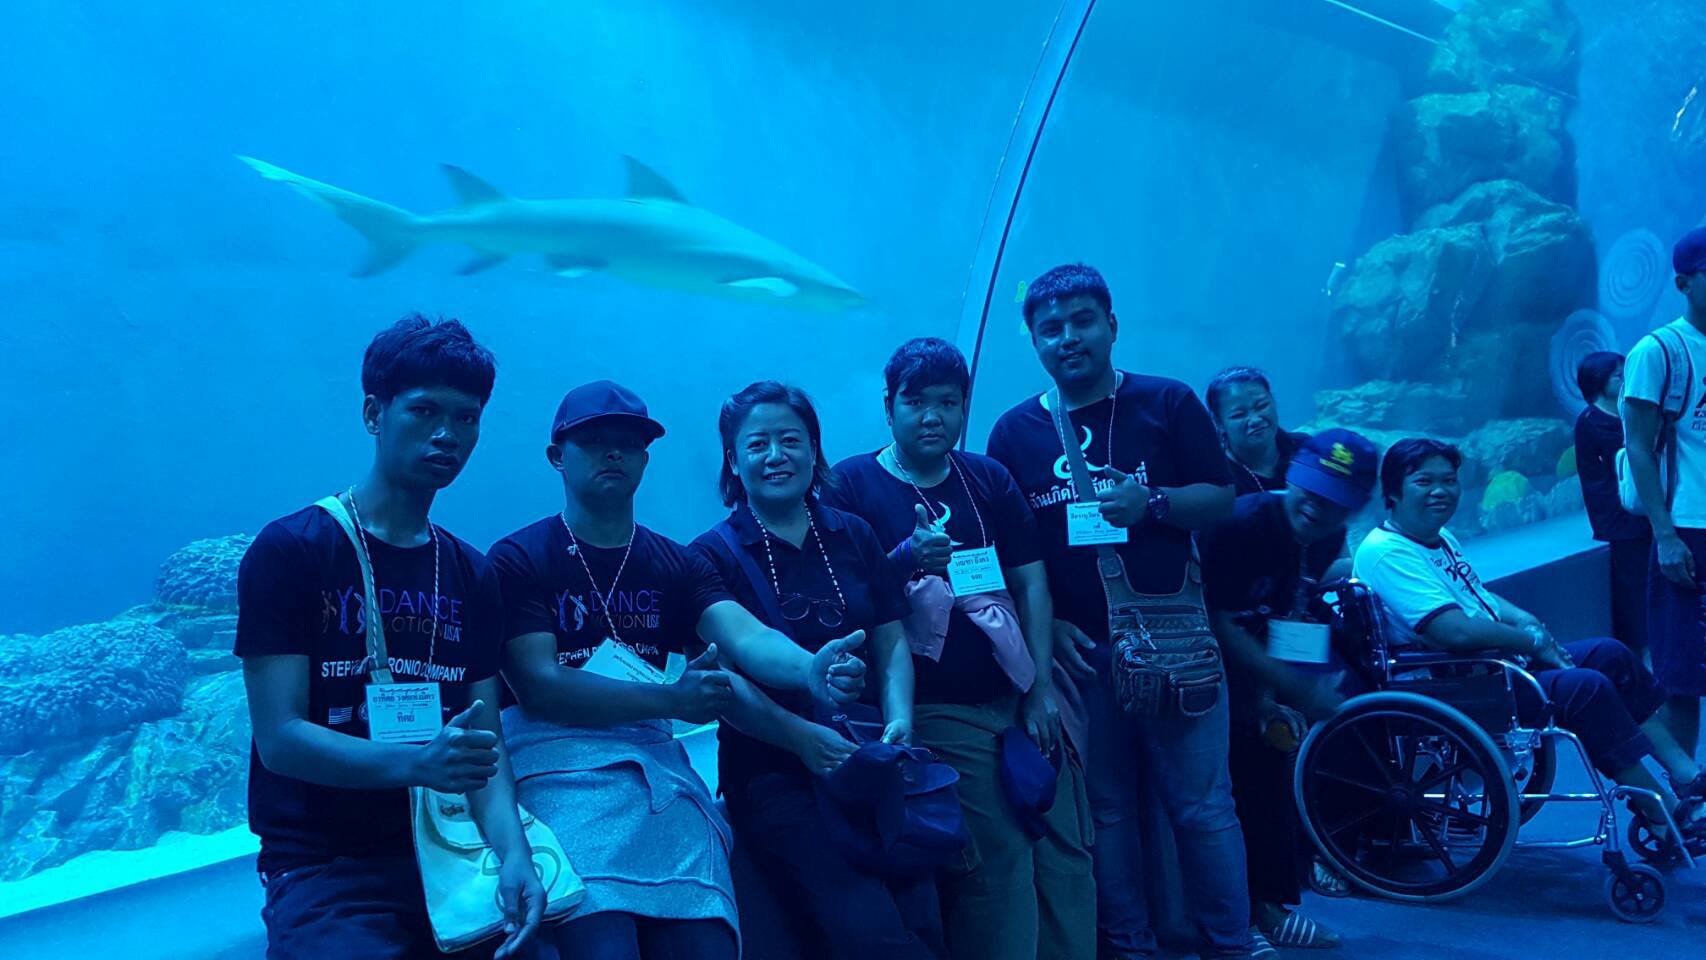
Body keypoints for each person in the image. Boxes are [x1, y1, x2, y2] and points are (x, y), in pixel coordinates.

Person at [489, 380, 867, 960]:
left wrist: (808, 668)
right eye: (593, 440)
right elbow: (540, 686)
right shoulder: (520, 557)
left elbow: (744, 637)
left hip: (657, 778)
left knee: (709, 945)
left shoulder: (675, 563)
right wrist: (671, 701)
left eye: (628, 442)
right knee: (603, 947)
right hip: (557, 776)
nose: (613, 453)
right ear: (556, 456)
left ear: (645, 458)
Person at [235, 315, 544, 959]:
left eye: (466, 418)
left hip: (453, 853)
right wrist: (417, 764)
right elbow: (280, 739)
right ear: (374, 413)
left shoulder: (470, 572)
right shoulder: (293, 550)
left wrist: (515, 853)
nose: (446, 434)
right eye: (424, 410)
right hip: (326, 867)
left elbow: (482, 741)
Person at [985, 263, 1251, 960]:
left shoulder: (1167, 402)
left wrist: (1151, 503)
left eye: (1082, 321)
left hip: (1176, 642)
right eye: (1050, 328)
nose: (1067, 338)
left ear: (1111, 325)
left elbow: (1221, 497)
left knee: (1204, 808)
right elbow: (1013, 553)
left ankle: (1231, 944)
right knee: (1106, 810)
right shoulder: (1013, 433)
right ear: (1033, 341)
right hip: (1080, 657)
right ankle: (1130, 947)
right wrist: (1049, 628)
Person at [824, 337, 1096, 960]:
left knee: (1066, 845)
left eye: (948, 403)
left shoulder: (987, 478)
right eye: (916, 402)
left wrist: (1041, 690)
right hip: (935, 706)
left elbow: (1031, 584)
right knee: (997, 853)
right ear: (888, 406)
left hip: (1016, 693)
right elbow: (842, 600)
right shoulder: (851, 485)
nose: (932, 417)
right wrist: (902, 559)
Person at [1354, 438, 1706, 862]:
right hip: (1454, 684)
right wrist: (1532, 641)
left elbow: (1477, 595)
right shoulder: (1387, 553)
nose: (1440, 491)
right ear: (1393, 491)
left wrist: (1525, 619)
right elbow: (1453, 632)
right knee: (1585, 688)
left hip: (1491, 668)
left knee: (1609, 655)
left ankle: (1687, 776)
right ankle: (1659, 811)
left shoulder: (1438, 536)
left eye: (1448, 480)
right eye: (1424, 482)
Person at [690, 380, 946, 960]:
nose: (776, 456)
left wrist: (900, 720)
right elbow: (725, 679)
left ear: (813, 449)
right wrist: (803, 738)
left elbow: (890, 640)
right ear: (733, 459)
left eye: (791, 440)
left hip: (872, 756)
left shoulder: (852, 533)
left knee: (924, 915)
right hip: (776, 771)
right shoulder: (709, 555)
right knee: (868, 932)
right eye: (757, 444)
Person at [1199, 430, 1380, 952]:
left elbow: (1290, 610)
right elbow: (1219, 621)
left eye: (1335, 500)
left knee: (1266, 772)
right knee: (1219, 797)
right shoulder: (1240, 524)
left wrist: (1274, 698)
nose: (1317, 507)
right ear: (1294, 475)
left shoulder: (1322, 538)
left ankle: (1271, 907)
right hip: (1200, 664)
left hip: (1255, 667)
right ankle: (1236, 924)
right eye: (1312, 489)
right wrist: (1294, 688)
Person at [1624, 226, 1706, 763]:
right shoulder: (1659, 351)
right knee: (1684, 676)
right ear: (1683, 282)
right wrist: (1665, 534)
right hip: (1688, 528)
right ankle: (1687, 792)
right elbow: (1637, 445)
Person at [1574, 351, 1651, 657]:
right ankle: (1639, 653)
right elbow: (1596, 482)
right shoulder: (1589, 423)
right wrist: (1619, 518)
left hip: (1648, 510)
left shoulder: (1631, 412)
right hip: (1622, 520)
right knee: (1633, 589)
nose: (1624, 379)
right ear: (1598, 380)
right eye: (1618, 375)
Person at [1206, 366, 1311, 496]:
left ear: (1273, 401)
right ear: (1219, 423)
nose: (1255, 420)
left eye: (1262, 406)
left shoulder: (1305, 449)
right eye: (1239, 415)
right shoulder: (1217, 480)